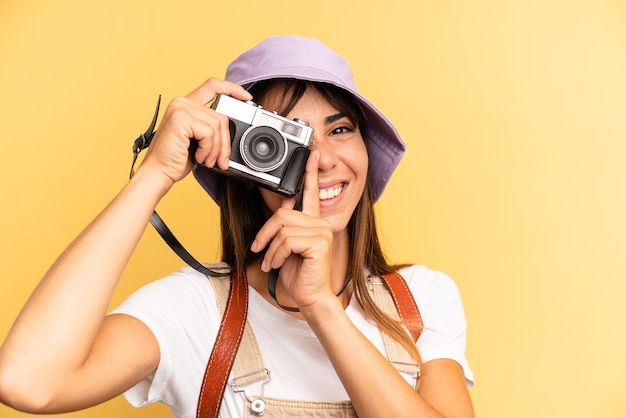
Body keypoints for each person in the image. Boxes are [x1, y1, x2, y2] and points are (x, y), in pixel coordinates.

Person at [0, 35, 474, 417]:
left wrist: (320, 306)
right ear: (247, 168)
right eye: (289, 140)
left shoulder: (419, 301)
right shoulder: (198, 309)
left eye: (340, 129)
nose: (324, 160)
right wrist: (154, 175)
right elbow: (27, 381)